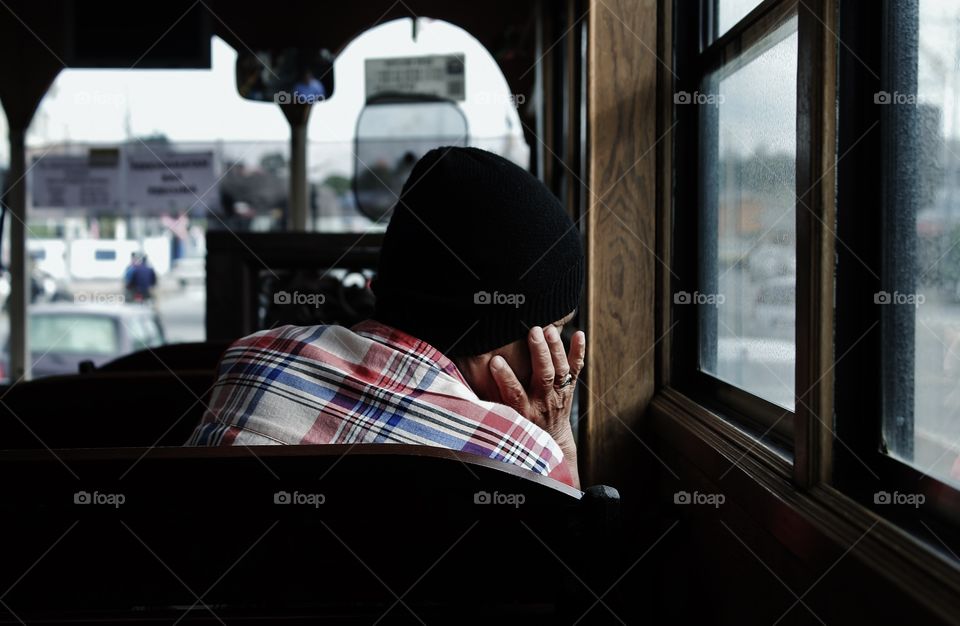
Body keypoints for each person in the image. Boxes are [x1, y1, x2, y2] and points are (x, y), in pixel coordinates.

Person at [187, 147, 585, 488]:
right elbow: (571, 564)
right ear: (490, 341)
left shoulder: (253, 360)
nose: (560, 367)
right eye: (556, 329)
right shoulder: (522, 458)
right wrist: (556, 437)